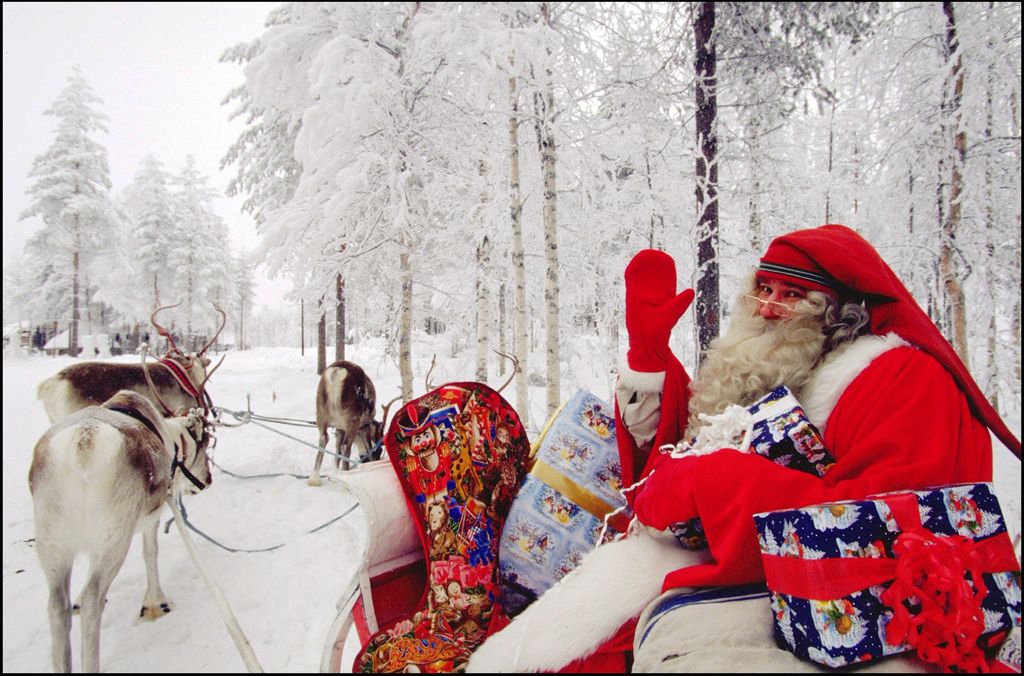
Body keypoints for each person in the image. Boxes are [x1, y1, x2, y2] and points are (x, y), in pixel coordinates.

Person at [467, 223, 1020, 673]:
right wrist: (649, 354)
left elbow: (891, 530)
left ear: (839, 311)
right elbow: (695, 442)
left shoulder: (902, 378)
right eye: (764, 289)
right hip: (735, 561)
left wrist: (717, 481)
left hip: (834, 603)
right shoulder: (782, 362)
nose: (770, 307)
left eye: (793, 295)